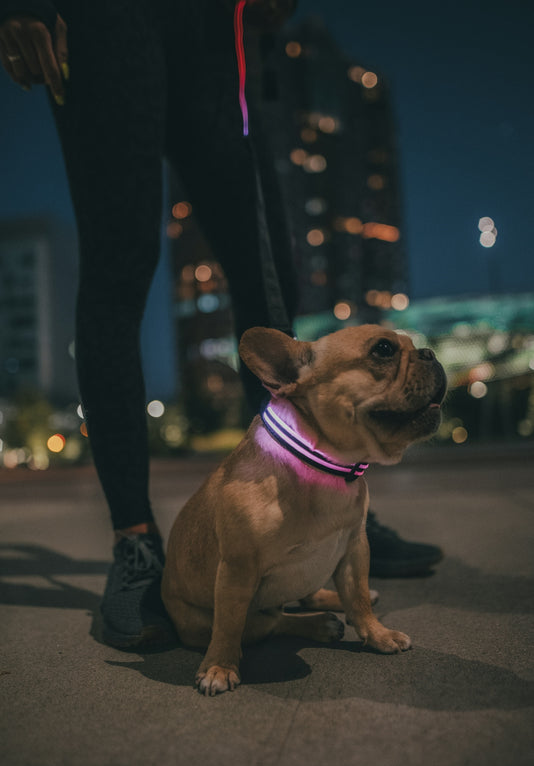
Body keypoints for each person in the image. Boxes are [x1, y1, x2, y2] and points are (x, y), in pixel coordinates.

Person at [0, 0, 442, 649]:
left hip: (210, 27)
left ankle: (327, 505)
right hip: (101, 19)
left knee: (268, 269)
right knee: (118, 267)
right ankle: (135, 541)